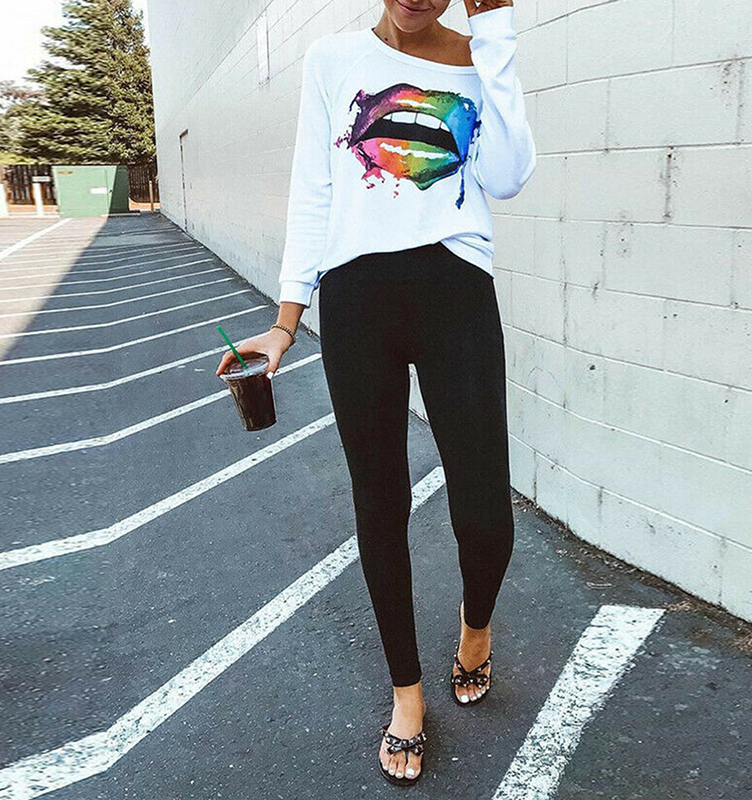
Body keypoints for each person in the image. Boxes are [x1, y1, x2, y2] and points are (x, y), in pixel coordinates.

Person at [216, 0, 535, 785]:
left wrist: (496, 34)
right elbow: (314, 190)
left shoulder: (479, 55)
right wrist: (286, 322)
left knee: (485, 513)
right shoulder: (332, 60)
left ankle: (476, 628)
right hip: (357, 299)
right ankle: (407, 695)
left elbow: (508, 176)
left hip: (456, 292)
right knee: (380, 502)